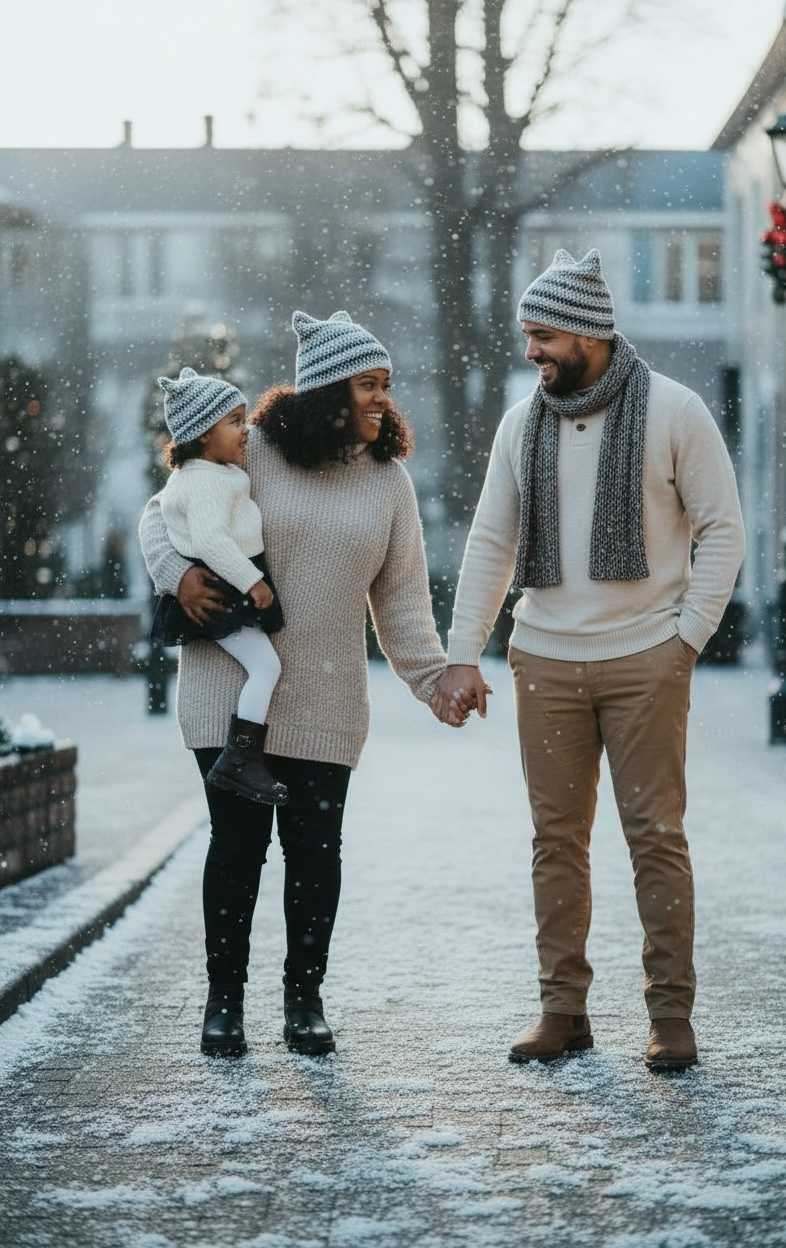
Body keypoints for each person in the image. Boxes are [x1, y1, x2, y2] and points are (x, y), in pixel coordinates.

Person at [433, 249, 745, 1071]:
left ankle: (670, 1017)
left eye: (542, 335)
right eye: (527, 335)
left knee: (655, 837)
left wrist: (687, 638)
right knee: (556, 840)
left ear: (588, 332)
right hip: (544, 658)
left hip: (648, 654)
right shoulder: (520, 421)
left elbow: (722, 527)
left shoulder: (675, 411)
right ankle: (562, 1010)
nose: (531, 351)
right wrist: (463, 654)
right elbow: (491, 542)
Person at [140, 311, 449, 1059]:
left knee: (315, 853)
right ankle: (223, 1004)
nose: (382, 400)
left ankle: (303, 999)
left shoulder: (388, 482)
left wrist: (434, 678)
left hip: (330, 692)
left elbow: (402, 598)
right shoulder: (251, 451)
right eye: (366, 386)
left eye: (385, 386)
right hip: (229, 686)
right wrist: (178, 575)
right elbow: (163, 510)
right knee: (238, 848)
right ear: (322, 393)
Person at [151, 367, 287, 806]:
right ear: (202, 436)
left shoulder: (213, 473)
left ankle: (240, 758)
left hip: (230, 581)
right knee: (266, 667)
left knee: (265, 666)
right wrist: (254, 582)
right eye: (234, 422)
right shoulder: (204, 480)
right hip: (225, 588)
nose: (245, 430)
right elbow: (211, 541)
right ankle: (240, 758)